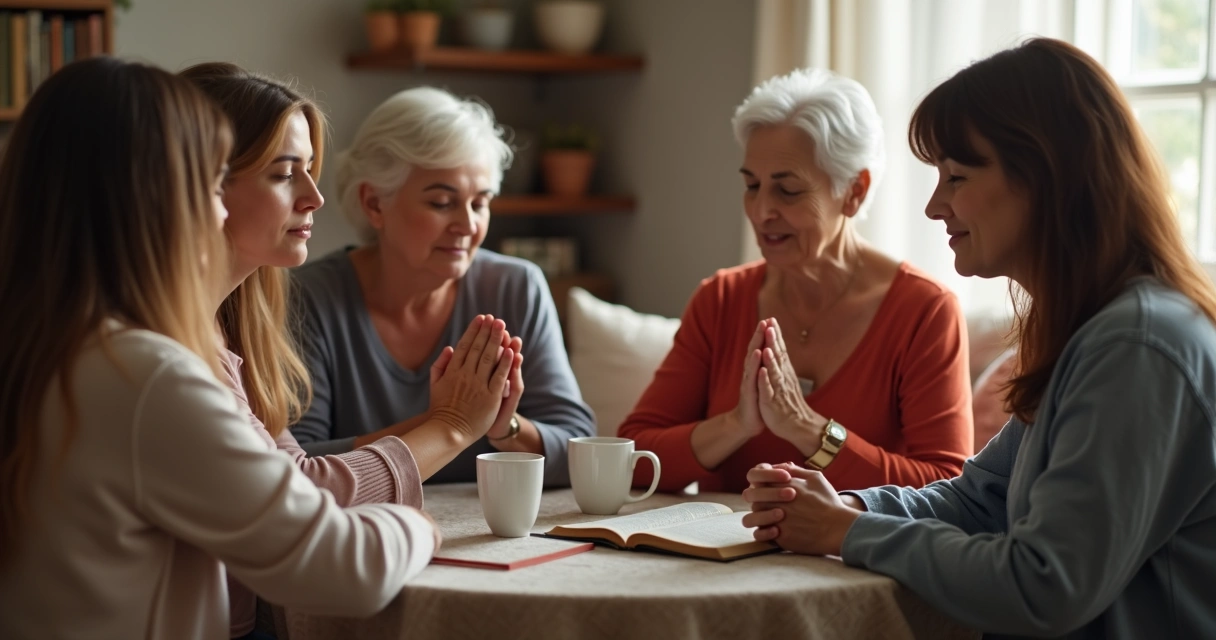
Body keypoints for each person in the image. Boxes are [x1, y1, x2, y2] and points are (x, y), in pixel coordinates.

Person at [742, 38, 1216, 639]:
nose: (935, 206)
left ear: (1047, 178)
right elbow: (980, 501)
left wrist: (846, 533)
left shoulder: (1137, 349)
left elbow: (1044, 585)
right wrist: (850, 507)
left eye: (957, 176)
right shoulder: (1088, 332)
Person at [0, 58, 464, 639]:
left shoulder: (48, 344)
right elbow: (337, 567)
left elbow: (285, 486)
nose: (218, 207)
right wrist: (418, 524)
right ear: (154, 195)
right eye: (208, 180)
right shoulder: (143, 375)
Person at [180, 63, 523, 639]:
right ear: (204, 187)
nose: (314, 197)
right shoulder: (176, 350)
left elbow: (289, 472)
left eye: (309, 172)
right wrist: (454, 426)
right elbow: (300, 496)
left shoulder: (227, 325)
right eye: (286, 174)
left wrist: (469, 421)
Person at [617, 68, 973, 494]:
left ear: (854, 190)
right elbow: (630, 458)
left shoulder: (925, 310)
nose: (762, 210)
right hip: (717, 556)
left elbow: (944, 487)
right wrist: (736, 424)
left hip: (846, 556)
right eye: (752, 185)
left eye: (787, 191)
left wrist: (807, 428)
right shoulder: (721, 299)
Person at [290, 87, 595, 485]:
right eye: (441, 202)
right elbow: (294, 468)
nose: (468, 225)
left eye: (480, 203)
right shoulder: (305, 297)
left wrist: (505, 427)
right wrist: (454, 420)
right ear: (374, 204)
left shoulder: (517, 287)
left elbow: (580, 448)